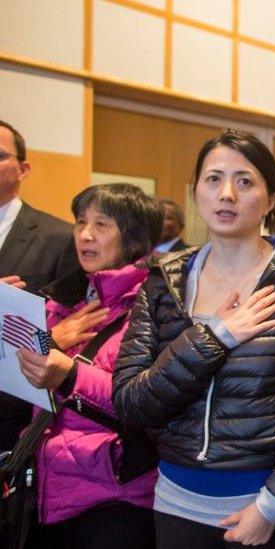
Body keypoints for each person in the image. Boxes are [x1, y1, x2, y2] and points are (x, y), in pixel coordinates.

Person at [113, 129, 275, 548]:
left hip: (270, 508)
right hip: (176, 503)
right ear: (197, 189)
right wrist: (214, 336)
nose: (227, 195)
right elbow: (131, 402)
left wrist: (272, 505)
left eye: (245, 181)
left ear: (271, 199)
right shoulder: (165, 280)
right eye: (213, 179)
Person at [15, 183, 161, 548]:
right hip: (47, 483)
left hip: (114, 490)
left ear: (134, 238)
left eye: (102, 224)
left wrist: (68, 372)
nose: (85, 235)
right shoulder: (59, 300)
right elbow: (21, 377)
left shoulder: (155, 306)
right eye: (80, 223)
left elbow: (146, 397)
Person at [0, 119, 81, 455]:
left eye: (0, 155)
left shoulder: (60, 238)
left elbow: (71, 331)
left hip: (14, 419)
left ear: (24, 169)